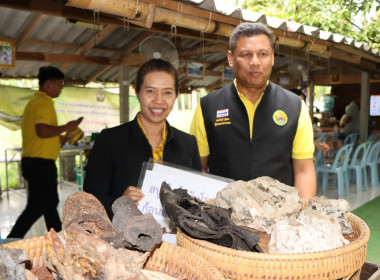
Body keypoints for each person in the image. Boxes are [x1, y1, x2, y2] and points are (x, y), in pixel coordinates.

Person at [190, 23, 316, 199]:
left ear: (272, 57)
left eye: (262, 54)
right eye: (245, 54)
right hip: (224, 217)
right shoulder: (208, 107)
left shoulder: (294, 106)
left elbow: (304, 170)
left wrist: (302, 214)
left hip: (279, 216)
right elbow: (198, 168)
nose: (255, 62)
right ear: (231, 58)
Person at [84, 59, 202, 219]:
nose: (158, 100)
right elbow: (89, 202)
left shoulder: (188, 144)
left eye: (167, 92)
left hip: (175, 241)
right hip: (123, 240)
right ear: (137, 92)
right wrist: (120, 204)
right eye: (150, 91)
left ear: (176, 96)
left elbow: (196, 201)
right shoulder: (109, 141)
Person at [7, 66, 82, 238]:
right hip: (39, 164)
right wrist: (66, 126)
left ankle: (59, 240)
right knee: (37, 207)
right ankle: (10, 241)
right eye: (59, 85)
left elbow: (48, 136)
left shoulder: (38, 101)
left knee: (49, 205)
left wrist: (68, 135)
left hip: (40, 163)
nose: (61, 88)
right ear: (49, 83)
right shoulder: (42, 102)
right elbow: (42, 130)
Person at [290, 88, 330, 153]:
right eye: (296, 102)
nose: (299, 106)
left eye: (302, 103)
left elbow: (299, 141)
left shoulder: (299, 119)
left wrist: (316, 144)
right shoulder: (280, 120)